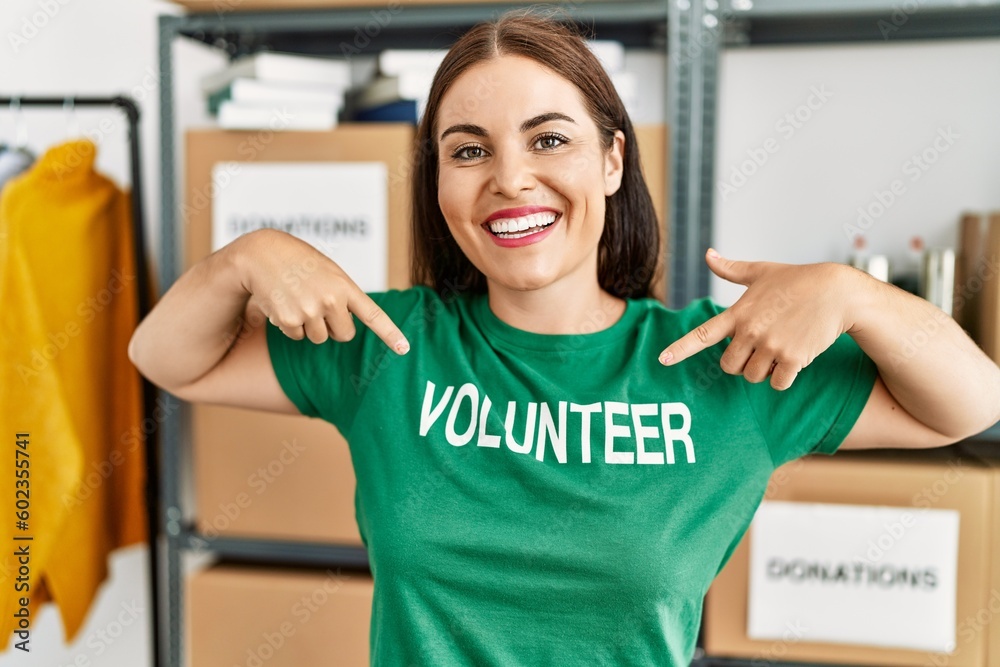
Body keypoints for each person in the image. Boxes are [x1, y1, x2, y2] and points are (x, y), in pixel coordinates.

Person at [128, 11, 1000, 667]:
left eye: (550, 139)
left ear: (612, 162)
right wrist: (243, 259)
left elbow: (969, 403)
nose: (511, 178)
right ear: (437, 182)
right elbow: (165, 356)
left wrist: (854, 293)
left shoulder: (721, 364)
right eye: (467, 152)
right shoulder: (389, 345)